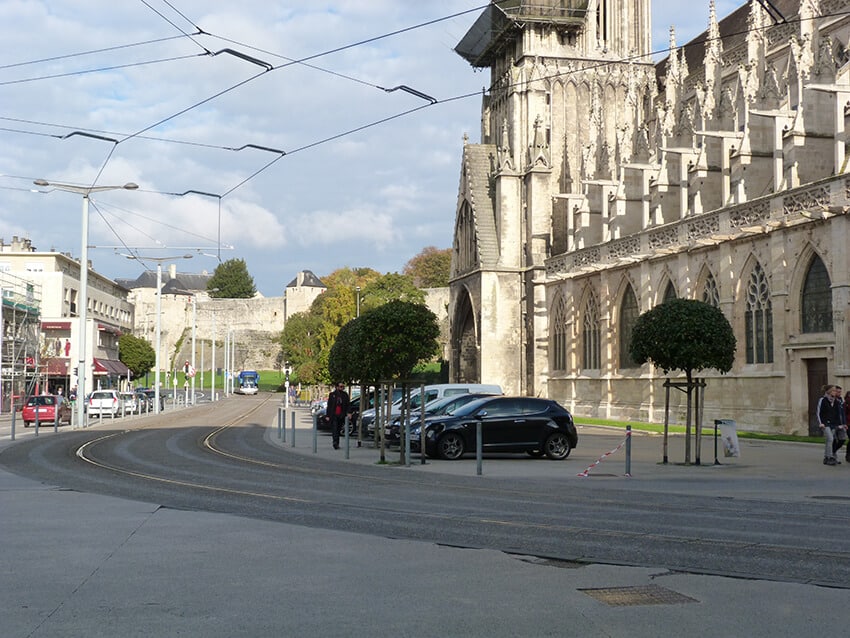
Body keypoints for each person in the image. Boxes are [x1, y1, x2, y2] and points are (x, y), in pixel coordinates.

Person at [817, 384, 844, 465]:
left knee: (830, 440)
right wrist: (820, 423)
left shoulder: (836, 401)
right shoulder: (823, 400)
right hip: (825, 423)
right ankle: (829, 457)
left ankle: (827, 457)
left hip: (833, 424)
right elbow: (818, 412)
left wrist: (839, 424)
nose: (835, 392)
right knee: (830, 439)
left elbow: (837, 414)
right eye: (834, 390)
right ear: (829, 391)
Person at [326, 382, 350, 450]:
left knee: (338, 429)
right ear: (337, 387)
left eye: (343, 387)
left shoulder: (345, 395)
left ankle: (337, 442)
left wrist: (349, 412)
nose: (342, 388)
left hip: (341, 414)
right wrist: (327, 415)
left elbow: (348, 404)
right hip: (334, 414)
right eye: (340, 386)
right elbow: (329, 406)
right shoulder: (332, 395)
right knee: (334, 429)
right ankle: (335, 443)